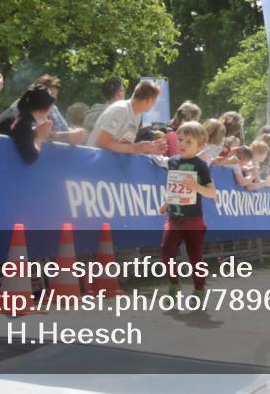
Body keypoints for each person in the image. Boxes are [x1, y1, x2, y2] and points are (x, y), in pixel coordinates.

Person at [159, 120, 216, 299]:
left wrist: (196, 186)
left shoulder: (201, 166)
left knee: (195, 257)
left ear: (199, 145)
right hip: (174, 218)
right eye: (180, 139)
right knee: (166, 252)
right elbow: (174, 187)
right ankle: (174, 284)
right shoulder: (172, 161)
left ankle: (199, 288)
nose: (182, 144)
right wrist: (167, 203)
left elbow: (212, 193)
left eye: (188, 142)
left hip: (193, 220)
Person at [0, 75, 87, 145]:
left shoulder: (53, 108)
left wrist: (76, 134)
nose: (50, 101)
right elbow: (33, 134)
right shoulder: (21, 106)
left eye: (54, 97)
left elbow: (64, 130)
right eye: (48, 96)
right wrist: (67, 136)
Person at [87, 80, 165, 154]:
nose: (154, 105)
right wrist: (136, 148)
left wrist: (147, 149)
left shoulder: (137, 115)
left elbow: (125, 146)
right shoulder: (121, 109)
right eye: (154, 101)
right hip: (94, 161)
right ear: (147, 100)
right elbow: (103, 143)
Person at [0, 83, 55, 164]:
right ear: (41, 110)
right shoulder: (23, 121)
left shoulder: (17, 111)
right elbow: (30, 158)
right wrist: (39, 138)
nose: (51, 112)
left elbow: (21, 136)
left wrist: (34, 132)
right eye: (49, 109)